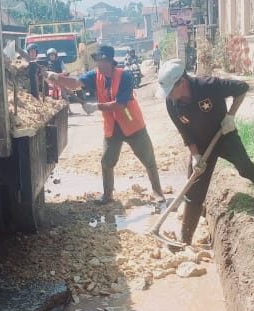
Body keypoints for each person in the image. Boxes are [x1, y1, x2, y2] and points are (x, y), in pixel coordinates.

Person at [158, 59, 254, 246]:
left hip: (224, 135)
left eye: (171, 91)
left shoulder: (209, 86)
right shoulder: (172, 103)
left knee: (246, 168)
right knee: (195, 189)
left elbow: (242, 87)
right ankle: (185, 241)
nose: (171, 96)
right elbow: (184, 132)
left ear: (182, 82)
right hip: (201, 145)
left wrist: (230, 116)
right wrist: (195, 156)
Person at [49, 44, 166, 205]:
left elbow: (121, 104)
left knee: (149, 160)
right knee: (106, 162)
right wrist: (57, 78)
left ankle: (158, 193)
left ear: (111, 62)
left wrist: (96, 106)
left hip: (133, 125)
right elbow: (75, 83)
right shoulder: (94, 75)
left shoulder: (125, 75)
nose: (99, 64)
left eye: (102, 61)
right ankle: (107, 195)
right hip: (112, 128)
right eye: (98, 61)